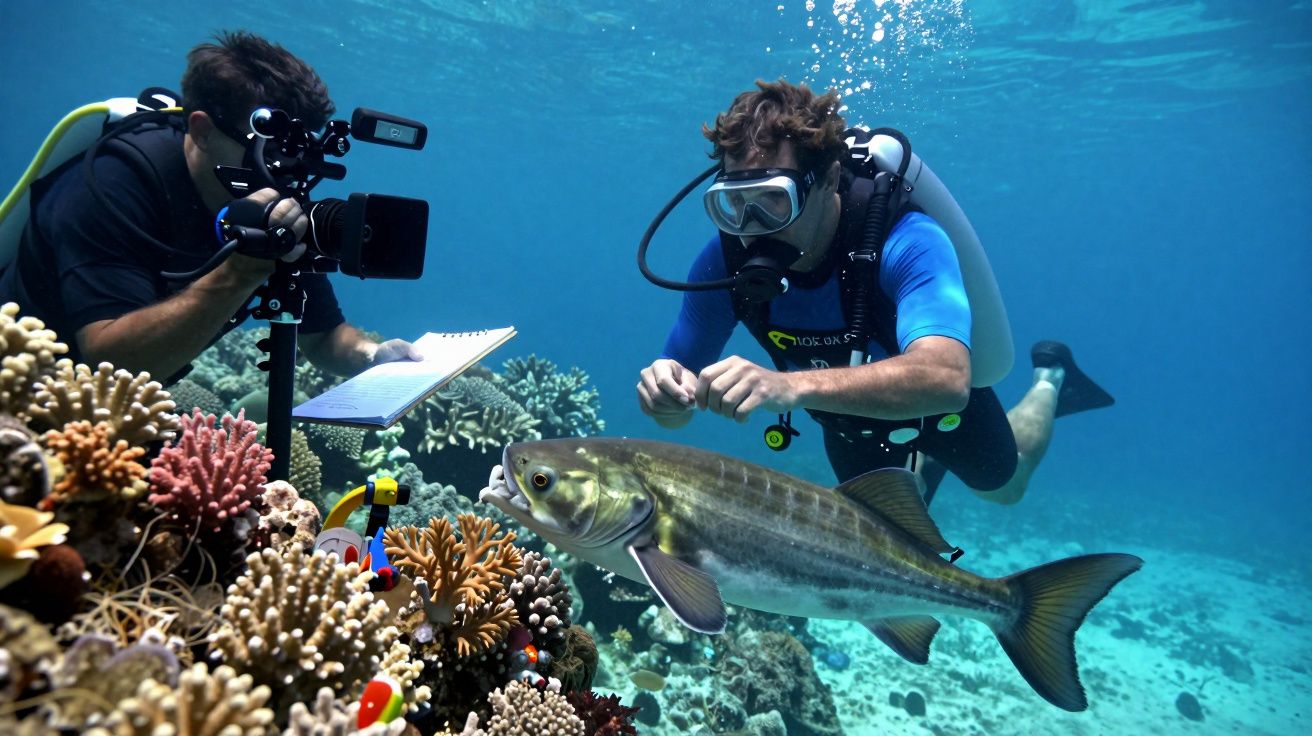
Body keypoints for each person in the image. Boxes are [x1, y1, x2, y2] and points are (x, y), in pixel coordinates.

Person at [637, 79, 1113, 505]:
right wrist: (664, 397)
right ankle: (923, 472)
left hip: (942, 411)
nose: (751, 230)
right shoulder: (721, 263)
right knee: (889, 535)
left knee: (1007, 490)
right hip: (848, 421)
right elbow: (675, 412)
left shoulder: (905, 238)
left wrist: (789, 385)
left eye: (773, 201)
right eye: (732, 206)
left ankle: (1050, 378)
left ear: (825, 181)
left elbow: (947, 378)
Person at [0, 31, 420, 384]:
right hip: (21, 386)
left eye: (294, 154)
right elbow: (111, 362)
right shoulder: (117, 184)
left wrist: (372, 354)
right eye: (268, 151)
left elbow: (323, 334)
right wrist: (242, 271)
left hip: (120, 413)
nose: (281, 173)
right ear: (200, 129)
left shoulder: (273, 200)